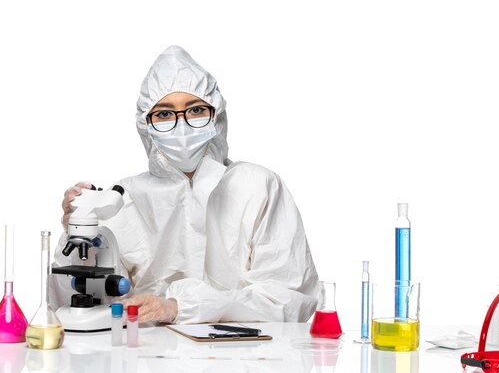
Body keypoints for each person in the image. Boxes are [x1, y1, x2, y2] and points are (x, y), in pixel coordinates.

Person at [51, 45, 319, 324]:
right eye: (165, 114)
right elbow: (72, 301)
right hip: (149, 358)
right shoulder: (124, 198)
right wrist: (78, 230)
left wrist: (180, 308)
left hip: (243, 358)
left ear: (217, 117)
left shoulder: (258, 186)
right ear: (146, 125)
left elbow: (289, 297)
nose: (182, 126)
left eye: (195, 110)